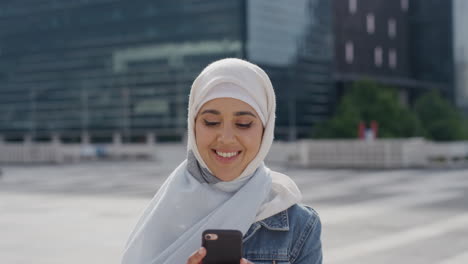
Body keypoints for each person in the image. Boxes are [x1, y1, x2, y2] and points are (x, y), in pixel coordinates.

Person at [121, 58, 322, 264]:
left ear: (265, 130)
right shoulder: (163, 213)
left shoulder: (300, 227)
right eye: (211, 122)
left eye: (243, 124)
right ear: (193, 126)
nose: (226, 138)